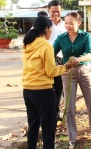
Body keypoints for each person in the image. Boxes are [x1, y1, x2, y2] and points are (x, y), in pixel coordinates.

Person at [53, 12, 91, 148]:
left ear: (78, 23)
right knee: (69, 107)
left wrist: (79, 59)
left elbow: (90, 54)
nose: (68, 26)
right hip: (67, 73)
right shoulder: (61, 38)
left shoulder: (85, 36)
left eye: (71, 23)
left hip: (85, 71)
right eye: (66, 23)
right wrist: (59, 66)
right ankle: (72, 137)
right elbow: (50, 54)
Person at [22, 16, 72, 149]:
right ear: (46, 29)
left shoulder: (27, 44)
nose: (51, 33)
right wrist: (65, 67)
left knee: (33, 126)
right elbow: (50, 72)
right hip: (43, 91)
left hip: (28, 90)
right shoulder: (46, 46)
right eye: (51, 29)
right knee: (48, 128)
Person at [47, 0, 66, 121]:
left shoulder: (66, 25)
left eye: (58, 11)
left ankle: (56, 111)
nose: (55, 14)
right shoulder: (44, 24)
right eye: (53, 11)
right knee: (48, 88)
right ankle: (48, 112)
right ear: (48, 11)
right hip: (47, 59)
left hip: (61, 60)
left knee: (59, 87)